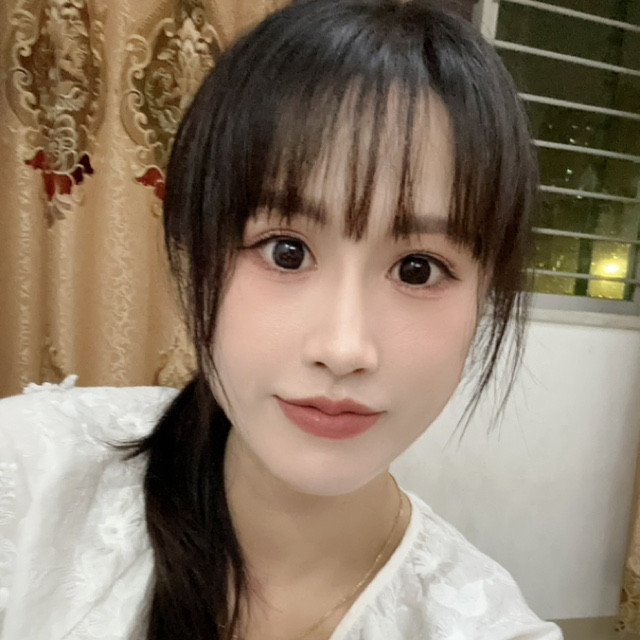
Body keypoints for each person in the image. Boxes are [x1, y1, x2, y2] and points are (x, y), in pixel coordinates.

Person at [0, 1, 564, 639]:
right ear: (190, 255)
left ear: (487, 296)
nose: (344, 348)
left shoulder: (487, 627)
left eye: (418, 269)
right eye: (286, 251)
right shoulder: (25, 480)